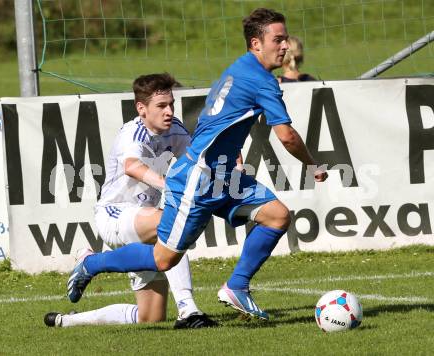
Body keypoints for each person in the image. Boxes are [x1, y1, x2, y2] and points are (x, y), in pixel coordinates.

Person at [67, 8, 327, 321]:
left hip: (220, 175)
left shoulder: (238, 69)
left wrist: (232, 158)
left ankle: (237, 286)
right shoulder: (262, 82)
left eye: (286, 39)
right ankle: (91, 264)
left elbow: (214, 121)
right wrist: (313, 164)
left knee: (277, 216)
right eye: (278, 39)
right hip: (199, 180)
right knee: (163, 260)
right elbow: (286, 137)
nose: (285, 46)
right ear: (256, 44)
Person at [45, 73, 217, 329]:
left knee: (150, 316)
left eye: (171, 104)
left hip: (143, 220)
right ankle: (189, 310)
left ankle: (68, 319)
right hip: (114, 214)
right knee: (168, 225)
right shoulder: (133, 132)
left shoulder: (176, 131)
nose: (169, 111)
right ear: (141, 108)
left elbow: (194, 164)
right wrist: (168, 185)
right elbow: (131, 166)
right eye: (161, 106)